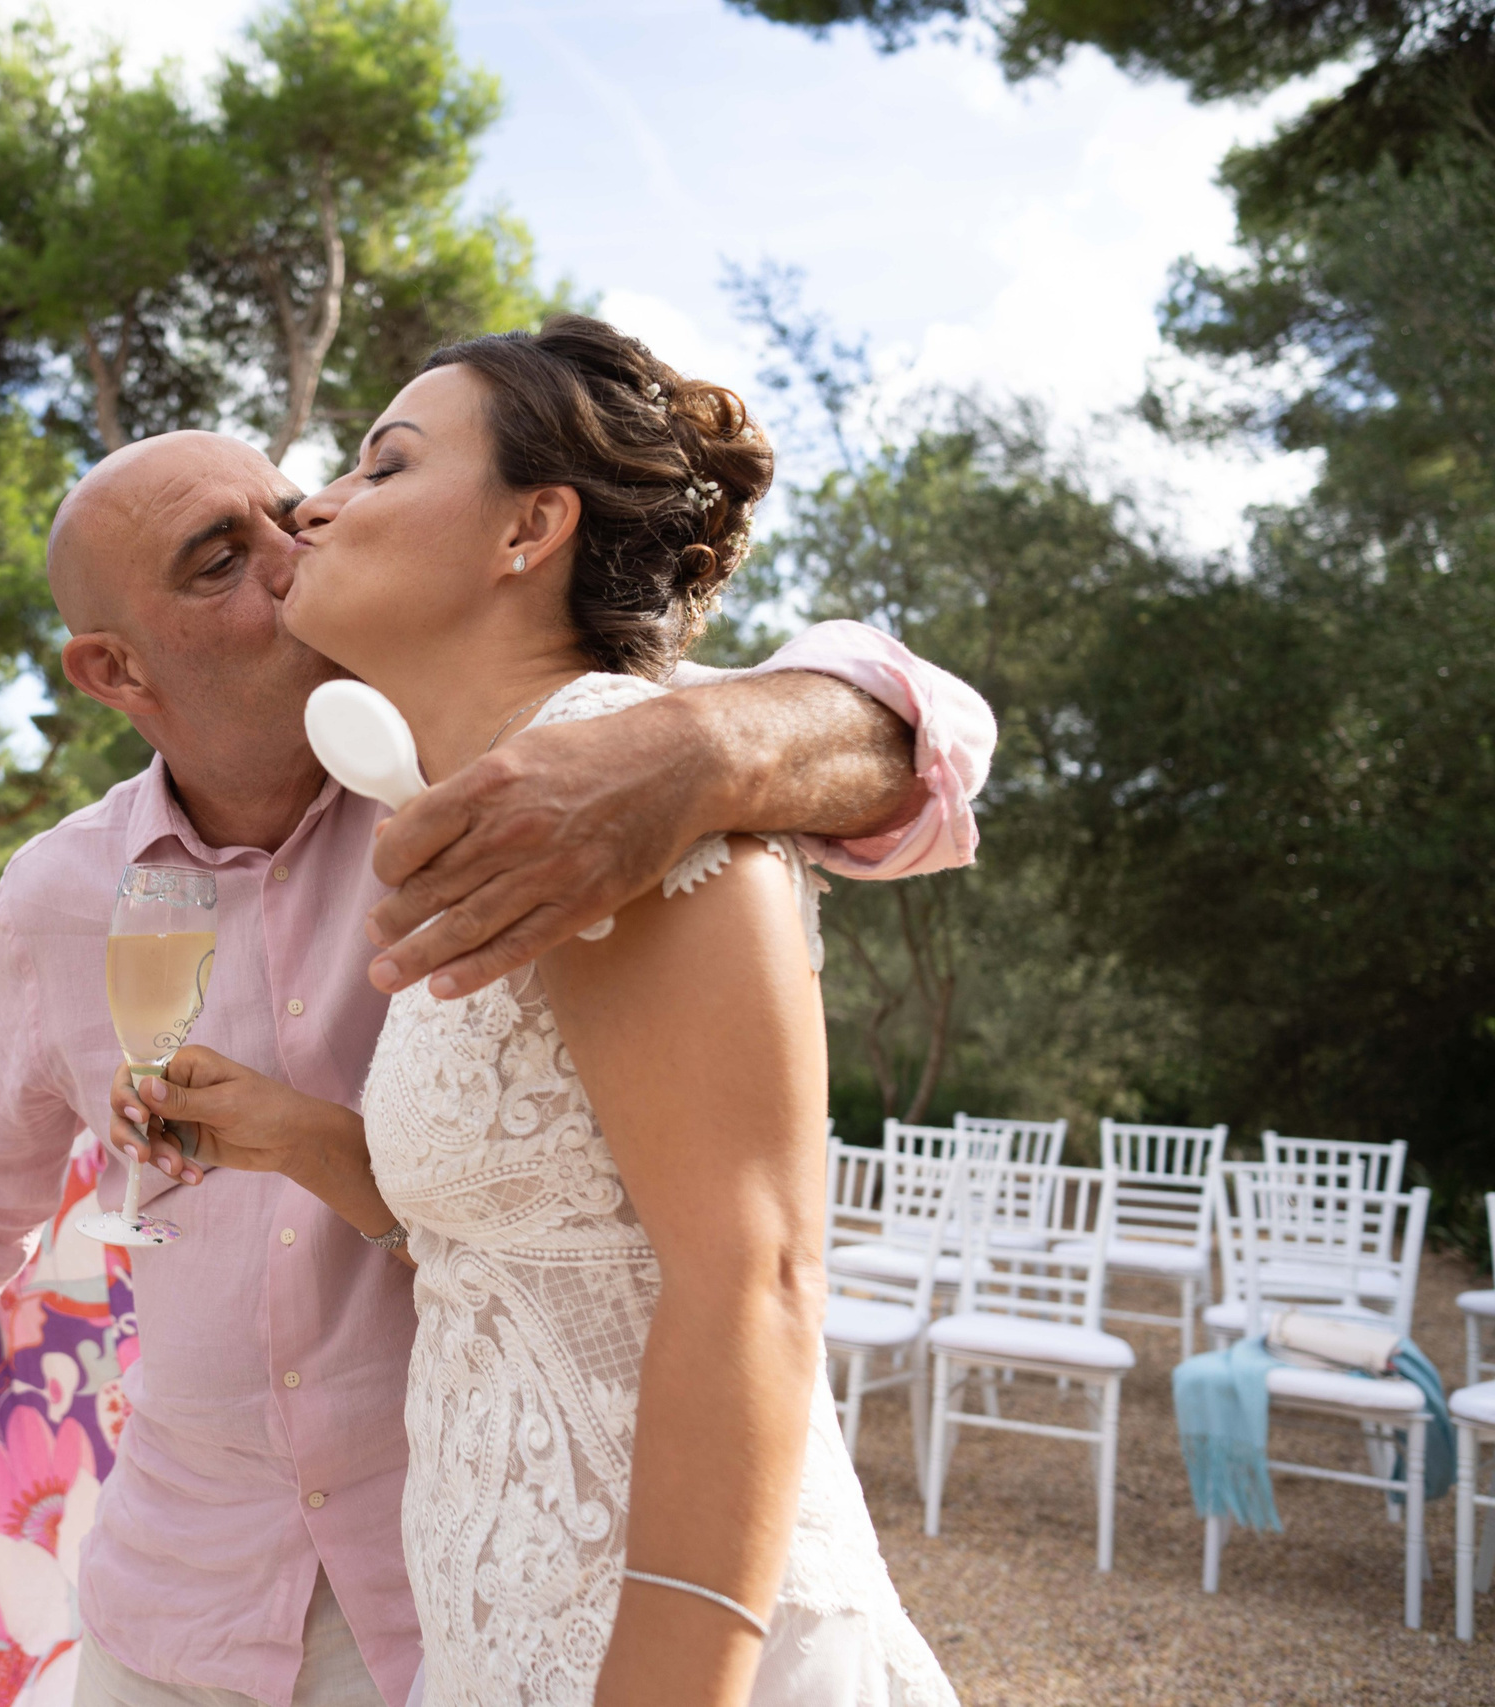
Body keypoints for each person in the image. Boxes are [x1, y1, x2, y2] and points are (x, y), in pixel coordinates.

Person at [0, 413, 994, 1705]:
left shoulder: (523, 783)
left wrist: (701, 747)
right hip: (175, 1595)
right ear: (114, 667)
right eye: (220, 556)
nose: (294, 556)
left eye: (291, 513)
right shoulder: (59, 892)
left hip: (452, 1592)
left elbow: (928, 726)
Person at [133, 317, 954, 1705]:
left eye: (384, 465)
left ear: (532, 527)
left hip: (664, 1650)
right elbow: (538, 1249)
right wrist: (301, 1137)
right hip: (500, 1634)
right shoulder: (491, 802)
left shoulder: (628, 784)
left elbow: (752, 1281)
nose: (319, 504)